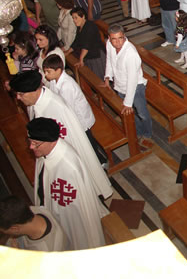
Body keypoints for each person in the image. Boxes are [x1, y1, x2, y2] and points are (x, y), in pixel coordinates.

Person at [9, 70, 113, 200]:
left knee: (83, 189)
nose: (18, 98)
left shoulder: (55, 107)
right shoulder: (37, 101)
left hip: (68, 157)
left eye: (21, 94)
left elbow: (66, 139)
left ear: (35, 90)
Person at [26, 117, 109, 250]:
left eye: (35, 143)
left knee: (79, 237)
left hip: (71, 214)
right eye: (30, 142)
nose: (31, 147)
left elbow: (75, 207)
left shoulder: (68, 166)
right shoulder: (45, 152)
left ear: (51, 141)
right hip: (58, 209)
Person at [42, 54, 107, 166]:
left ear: (58, 70)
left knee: (88, 140)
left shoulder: (67, 86)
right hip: (73, 116)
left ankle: (101, 161)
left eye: (48, 71)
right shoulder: (54, 80)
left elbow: (68, 108)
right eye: (45, 72)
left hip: (79, 118)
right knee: (86, 140)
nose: (46, 75)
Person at [103, 24, 153, 145]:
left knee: (141, 112)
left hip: (135, 87)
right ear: (109, 38)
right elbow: (109, 59)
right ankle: (138, 130)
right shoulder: (109, 45)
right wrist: (107, 76)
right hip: (120, 84)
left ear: (124, 36)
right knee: (127, 112)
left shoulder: (131, 53)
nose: (117, 42)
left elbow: (132, 79)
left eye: (120, 38)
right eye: (114, 39)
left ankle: (147, 133)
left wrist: (128, 102)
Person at [0, 195, 70, 252]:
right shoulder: (33, 210)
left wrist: (18, 255)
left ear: (15, 229)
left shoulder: (46, 251)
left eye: (5, 232)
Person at [65, 7, 106, 80]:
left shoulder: (90, 26)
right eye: (73, 18)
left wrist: (81, 59)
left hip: (96, 55)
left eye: (76, 18)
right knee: (92, 76)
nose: (74, 20)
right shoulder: (80, 26)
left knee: (99, 78)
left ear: (83, 16)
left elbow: (86, 44)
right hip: (87, 55)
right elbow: (77, 41)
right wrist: (68, 51)